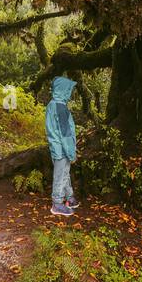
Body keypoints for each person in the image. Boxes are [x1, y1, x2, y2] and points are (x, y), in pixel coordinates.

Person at [45, 75, 79, 216]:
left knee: (64, 173)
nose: (71, 93)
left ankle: (69, 198)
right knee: (60, 175)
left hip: (57, 147)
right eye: (69, 90)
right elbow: (65, 134)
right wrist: (72, 153)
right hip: (61, 148)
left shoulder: (53, 104)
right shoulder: (60, 106)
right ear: (63, 90)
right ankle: (57, 204)